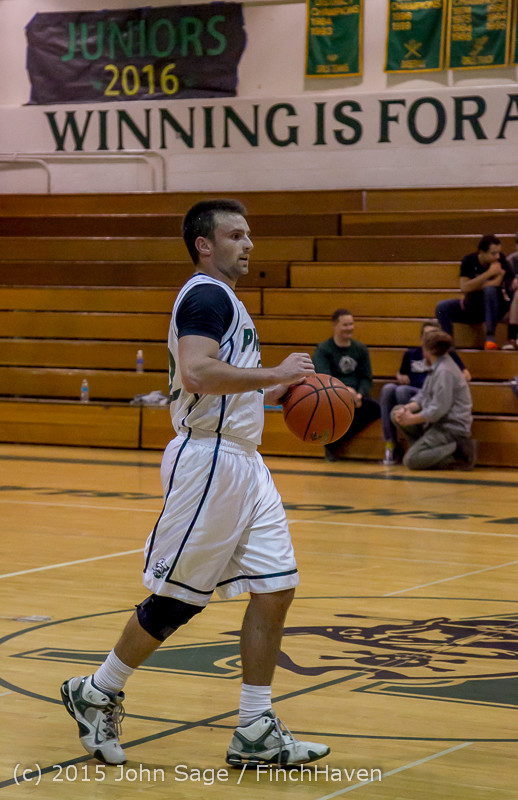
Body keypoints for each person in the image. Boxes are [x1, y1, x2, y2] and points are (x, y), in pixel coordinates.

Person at [60, 199, 330, 768]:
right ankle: (97, 691)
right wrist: (277, 372)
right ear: (204, 244)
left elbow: (226, 382)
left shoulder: (229, 302)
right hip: (208, 462)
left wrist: (280, 390)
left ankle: (255, 728)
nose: (248, 243)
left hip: (244, 463)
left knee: (277, 586)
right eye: (235, 235)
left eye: (250, 234)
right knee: (177, 599)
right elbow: (196, 371)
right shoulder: (206, 294)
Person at [380, 320, 471, 465]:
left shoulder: (444, 371)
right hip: (437, 424)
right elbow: (423, 395)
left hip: (450, 429)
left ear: (427, 351)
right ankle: (424, 451)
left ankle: (457, 450)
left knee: (411, 461)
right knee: (397, 412)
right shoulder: (435, 365)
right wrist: (407, 409)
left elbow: (438, 410)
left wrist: (411, 419)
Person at [312, 309, 380, 461]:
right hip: (332, 396)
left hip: (357, 398)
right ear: (335, 325)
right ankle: (332, 443)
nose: (350, 328)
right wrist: (344, 391)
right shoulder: (323, 349)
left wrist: (359, 394)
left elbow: (366, 377)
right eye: (345, 324)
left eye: (351, 324)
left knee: (375, 409)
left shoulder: (360, 349)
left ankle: (333, 442)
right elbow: (325, 376)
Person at [435, 234, 515, 350]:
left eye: (498, 252)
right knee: (442, 307)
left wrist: (479, 284)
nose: (497, 256)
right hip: (473, 306)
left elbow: (498, 284)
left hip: (495, 308)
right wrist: (488, 274)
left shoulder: (501, 260)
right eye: (493, 253)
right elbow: (465, 287)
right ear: (481, 252)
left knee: (490, 291)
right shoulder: (469, 260)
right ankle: (449, 345)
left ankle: (490, 337)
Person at [501, 232, 518, 350]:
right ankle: (513, 338)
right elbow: (507, 286)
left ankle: (512, 337)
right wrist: (512, 284)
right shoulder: (511, 260)